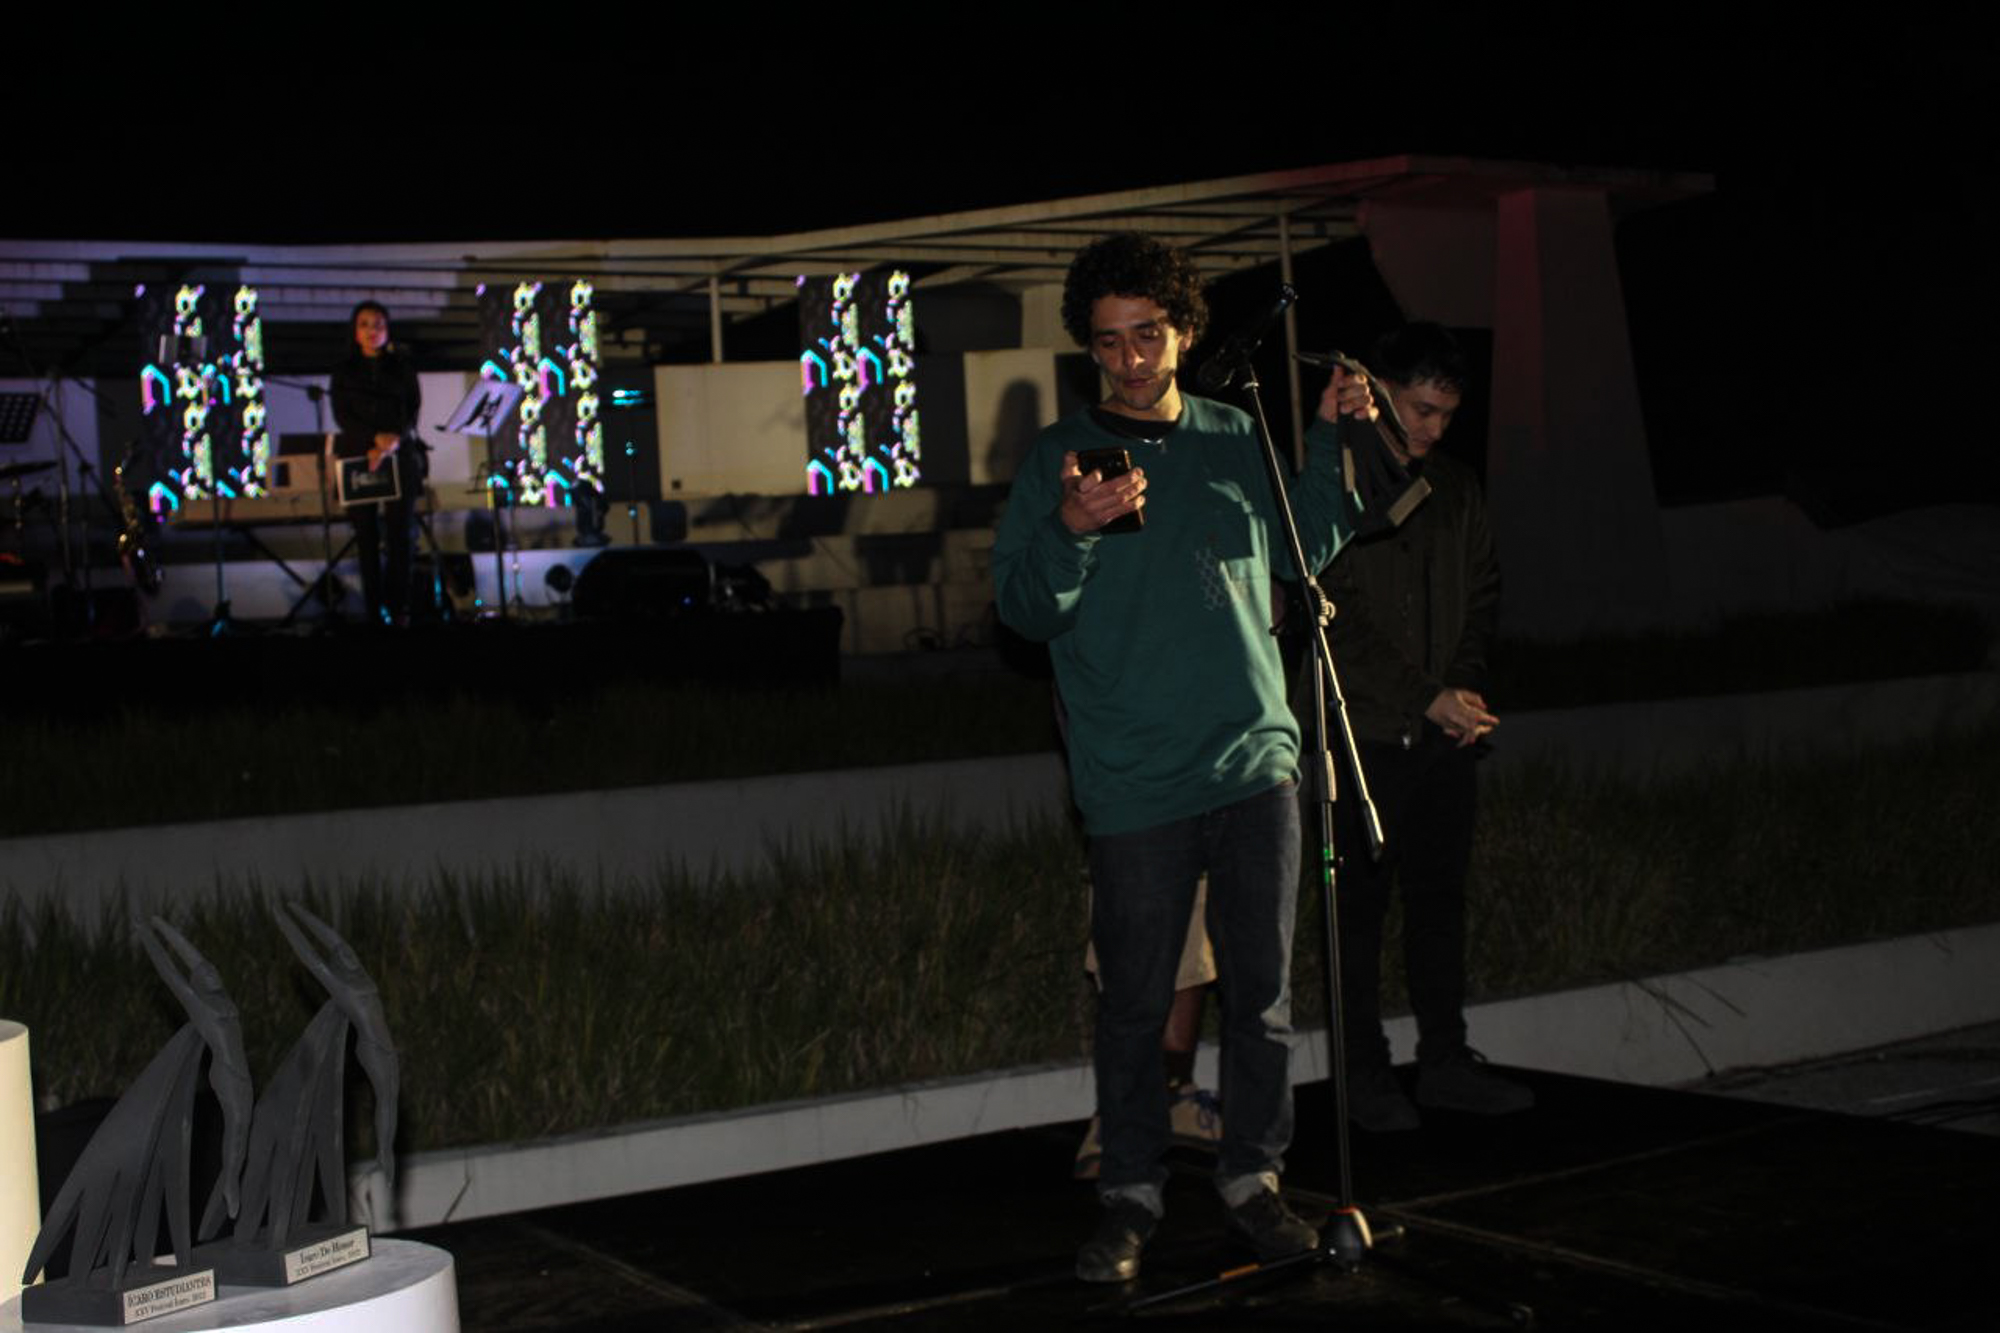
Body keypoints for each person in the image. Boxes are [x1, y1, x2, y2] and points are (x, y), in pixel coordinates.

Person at [992, 233, 1373, 1283]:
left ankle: (1253, 1181)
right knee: (1132, 1005)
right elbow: (1021, 609)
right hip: (1133, 784)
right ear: (1089, 347)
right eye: (1109, 341)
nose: (1130, 358)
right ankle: (1130, 1195)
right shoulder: (1060, 457)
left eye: (1148, 335)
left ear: (1185, 333)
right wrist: (1071, 526)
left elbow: (1305, 547)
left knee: (1262, 1000)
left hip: (1255, 766)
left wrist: (1330, 439)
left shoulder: (1232, 433)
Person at [1323, 322, 1533, 1132]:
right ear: (1379, 393)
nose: (1433, 428)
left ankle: (1445, 1061)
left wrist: (1463, 691)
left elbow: (1484, 591)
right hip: (1362, 736)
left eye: (1447, 414)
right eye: (1420, 409)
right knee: (1357, 916)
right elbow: (1335, 616)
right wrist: (1424, 695)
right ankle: (1363, 1073)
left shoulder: (1457, 487)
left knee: (1440, 905)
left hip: (1444, 737)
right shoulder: (1336, 481)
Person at [330, 300, 422, 625]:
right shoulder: (343, 370)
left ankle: (399, 609)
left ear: (388, 330)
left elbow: (412, 409)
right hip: (359, 455)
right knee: (366, 537)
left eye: (379, 324)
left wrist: (393, 440)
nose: (373, 330)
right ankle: (373, 611)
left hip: (399, 453)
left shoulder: (402, 366)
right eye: (365, 325)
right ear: (355, 332)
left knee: (401, 535)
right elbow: (342, 415)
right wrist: (373, 440)